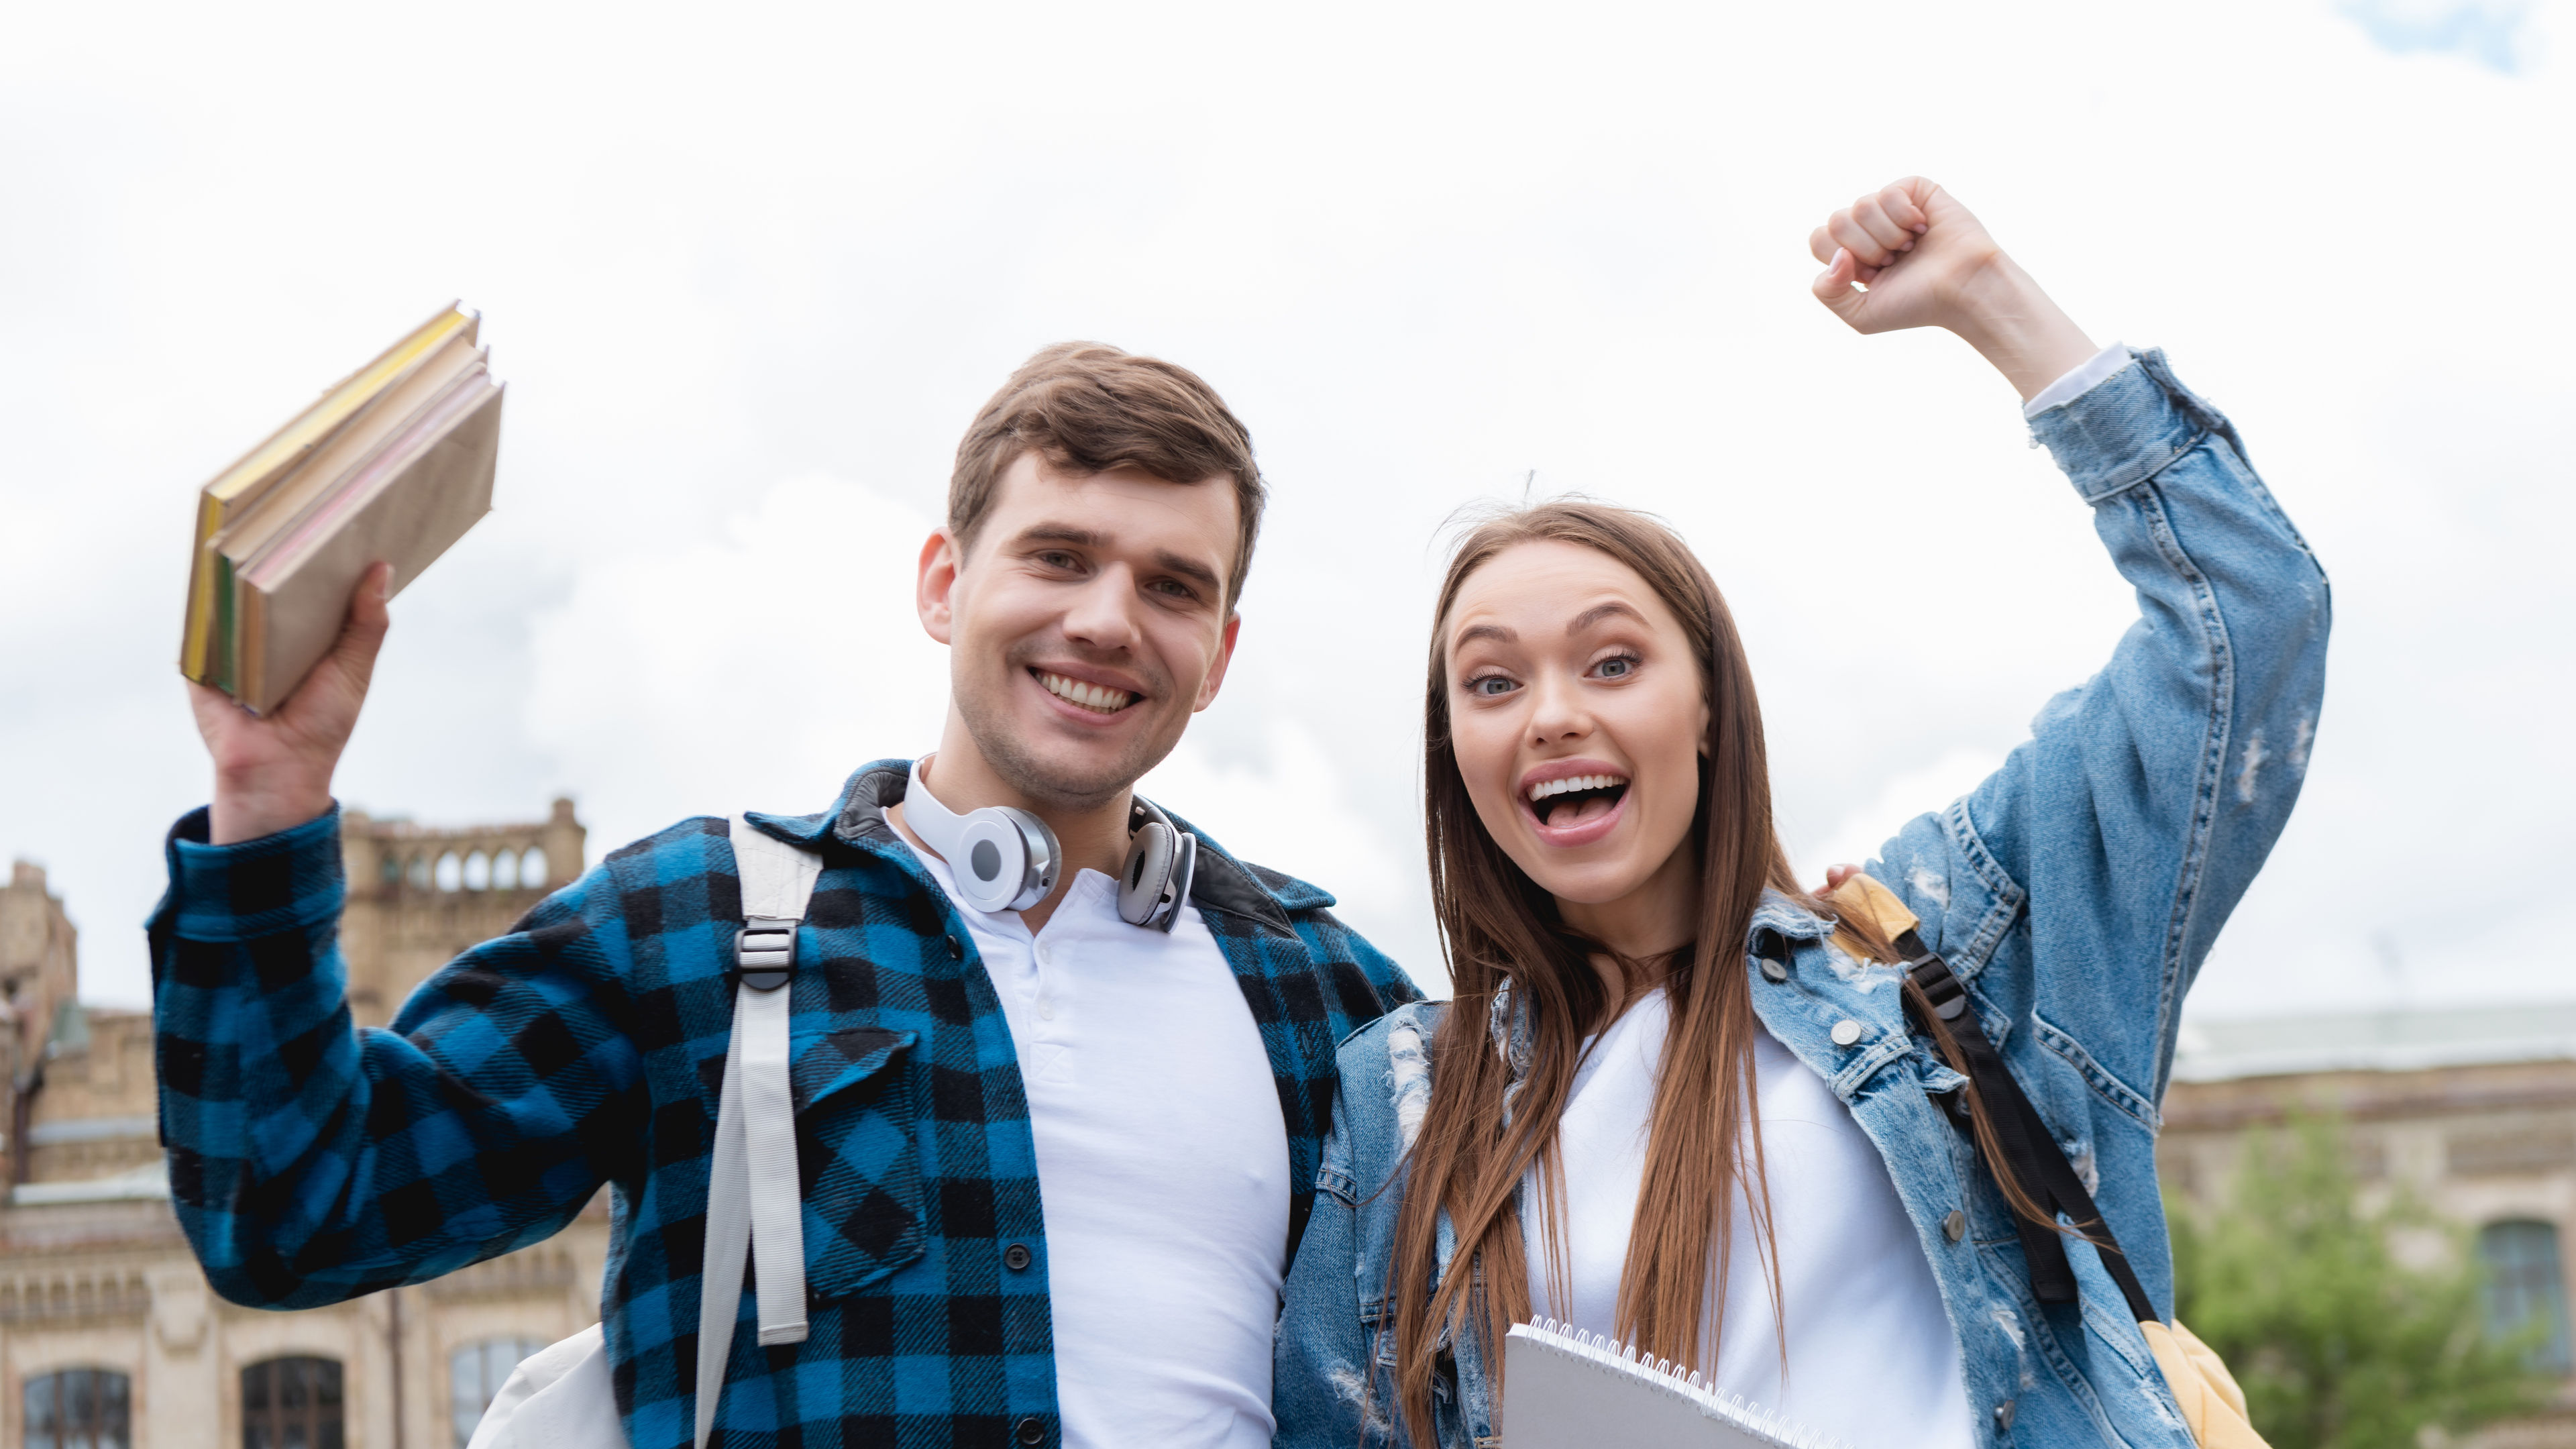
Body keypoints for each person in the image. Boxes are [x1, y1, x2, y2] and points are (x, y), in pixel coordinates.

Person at [152, 343, 1421, 1449]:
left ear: (1219, 659)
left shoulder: (1334, 1001)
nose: (1106, 619)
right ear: (943, 583)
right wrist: (265, 810)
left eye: (1172, 585)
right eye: (1059, 555)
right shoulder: (692, 924)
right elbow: (293, 1209)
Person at [1272, 178, 2330, 1449]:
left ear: (1709, 709)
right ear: (1458, 752)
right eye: (1492, 682)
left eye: (1612, 663)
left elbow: (2248, 624)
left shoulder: (1945, 950)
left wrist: (1991, 301)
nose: (1550, 713)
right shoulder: (1404, 1097)